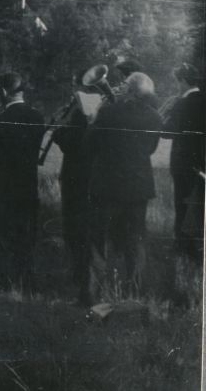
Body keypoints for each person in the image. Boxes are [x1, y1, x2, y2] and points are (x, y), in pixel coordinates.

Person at [85, 72, 162, 301]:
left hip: (108, 187)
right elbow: (149, 149)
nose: (119, 87)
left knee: (101, 243)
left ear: (129, 90)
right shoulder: (154, 117)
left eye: (124, 85)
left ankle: (98, 295)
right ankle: (134, 295)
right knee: (136, 243)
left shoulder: (108, 111)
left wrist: (92, 120)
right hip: (139, 188)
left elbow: (88, 146)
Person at [0, 72, 45, 292]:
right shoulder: (37, 116)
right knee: (25, 234)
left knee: (1, 233)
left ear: (3, 92)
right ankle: (26, 279)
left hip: (0, 187)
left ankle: (6, 280)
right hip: (27, 184)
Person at [47, 70, 93, 303]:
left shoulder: (83, 111)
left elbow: (72, 143)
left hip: (77, 175)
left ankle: (79, 275)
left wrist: (58, 132)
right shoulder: (92, 107)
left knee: (75, 228)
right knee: (80, 228)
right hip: (87, 177)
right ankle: (80, 274)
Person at [161, 63, 205, 261]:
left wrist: (166, 112)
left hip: (183, 163)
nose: (176, 86)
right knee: (198, 205)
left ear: (184, 81)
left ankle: (182, 248)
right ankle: (196, 249)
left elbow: (167, 132)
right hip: (201, 162)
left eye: (177, 81)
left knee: (182, 205)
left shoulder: (181, 103)